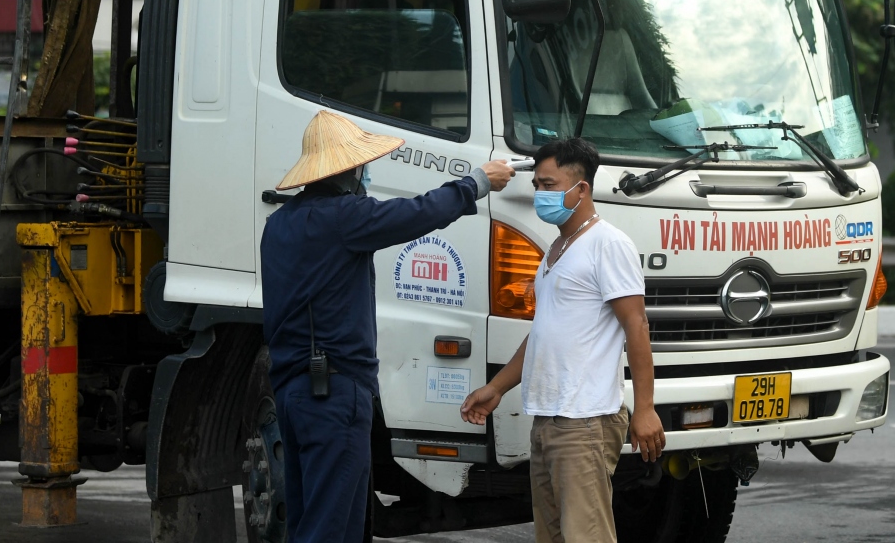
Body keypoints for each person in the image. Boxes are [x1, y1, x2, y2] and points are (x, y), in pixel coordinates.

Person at [260, 109, 514, 543]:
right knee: (331, 529)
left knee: (309, 521)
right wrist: (477, 182)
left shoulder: (278, 223)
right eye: (363, 166)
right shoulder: (344, 217)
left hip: (292, 394)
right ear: (350, 169)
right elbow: (419, 213)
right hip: (333, 394)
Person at [460, 137, 664, 543]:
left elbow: (636, 326)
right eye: (537, 185)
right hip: (548, 421)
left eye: (549, 185)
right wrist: (496, 388)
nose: (540, 194)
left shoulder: (608, 244)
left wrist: (645, 409)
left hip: (585, 422)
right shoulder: (557, 249)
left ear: (581, 188)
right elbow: (543, 333)